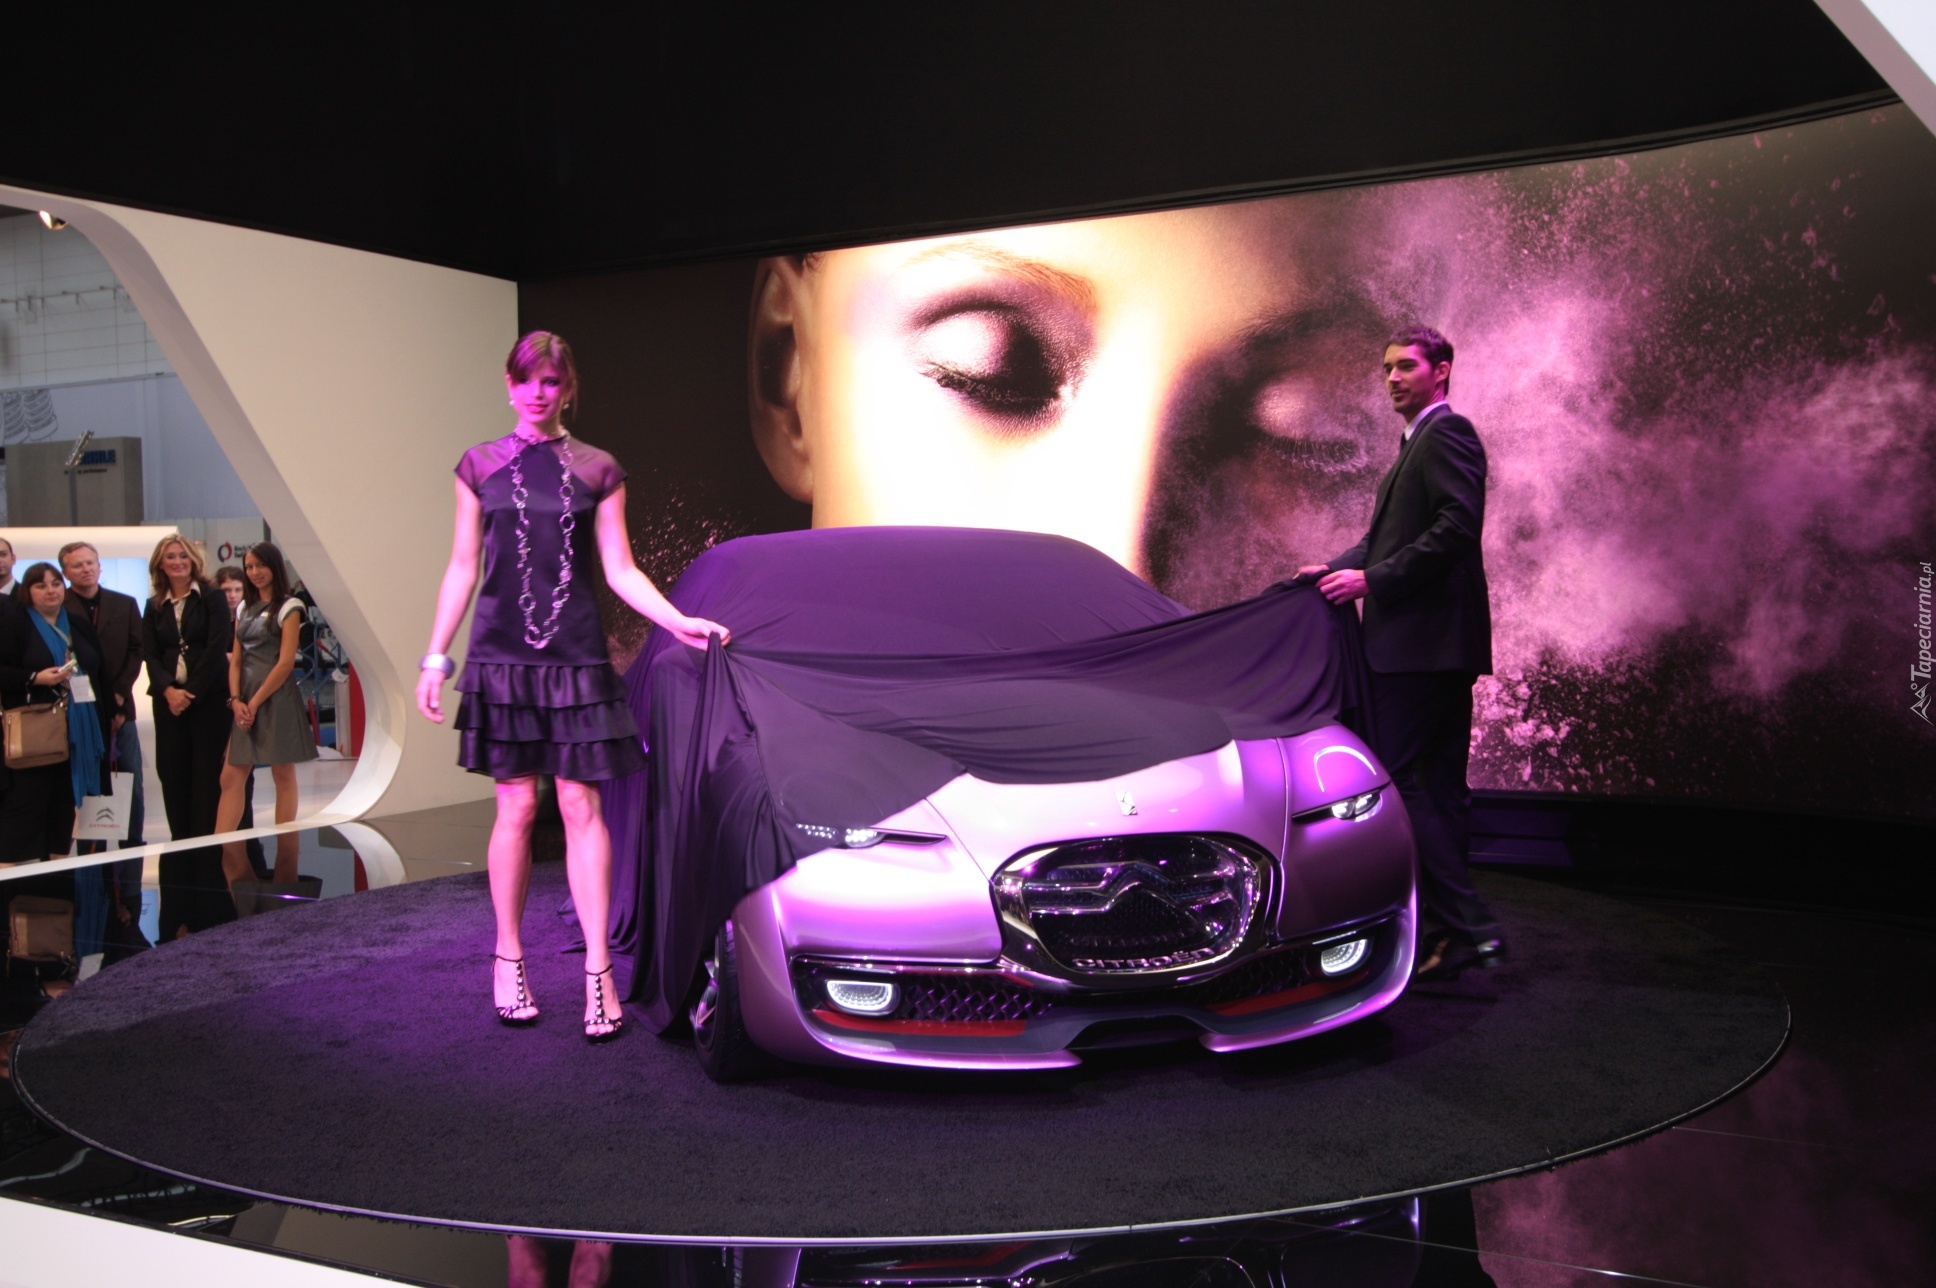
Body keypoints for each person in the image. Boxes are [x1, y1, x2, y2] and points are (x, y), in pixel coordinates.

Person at [416, 331, 729, 1041]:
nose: (538, 393)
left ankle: (598, 971)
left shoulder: (598, 468)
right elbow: (462, 565)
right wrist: (436, 656)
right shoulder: (478, 465)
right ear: (508, 384)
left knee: (581, 805)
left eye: (551, 381)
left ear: (568, 388)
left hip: (576, 660)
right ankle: (507, 959)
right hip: (501, 659)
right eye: (527, 379)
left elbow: (620, 569)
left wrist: (677, 620)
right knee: (517, 807)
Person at [1297, 327, 1501, 979]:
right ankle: (1450, 933)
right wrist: (1335, 567)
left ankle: (1468, 925)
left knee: (1398, 778)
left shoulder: (1447, 433)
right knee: (1439, 790)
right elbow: (1388, 539)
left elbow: (1455, 530)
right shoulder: (1416, 444)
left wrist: (1372, 582)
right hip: (1431, 649)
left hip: (1421, 648)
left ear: (1441, 371)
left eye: (1406, 366)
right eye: (1386, 367)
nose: (1392, 377)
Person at [141, 534, 236, 938]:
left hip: (206, 702)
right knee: (174, 775)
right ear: (160, 565)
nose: (177, 561)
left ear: (193, 560)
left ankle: (205, 863)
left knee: (205, 780)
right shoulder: (154, 605)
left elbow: (216, 649)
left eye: (182, 555)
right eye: (170, 557)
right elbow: (149, 653)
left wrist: (189, 693)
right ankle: (181, 854)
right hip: (169, 705)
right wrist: (168, 691)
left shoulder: (211, 598)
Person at [214, 542, 317, 886]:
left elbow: (286, 663)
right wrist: (235, 700)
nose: (254, 572)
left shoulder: (290, 606)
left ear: (274, 567)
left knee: (282, 774)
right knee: (231, 776)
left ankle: (286, 847)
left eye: (260, 565)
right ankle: (223, 842)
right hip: (243, 699)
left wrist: (255, 702)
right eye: (249, 566)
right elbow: (236, 658)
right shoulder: (244, 605)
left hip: (275, 698)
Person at [61, 541, 147, 930]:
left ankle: (130, 869)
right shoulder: (60, 607)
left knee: (132, 786)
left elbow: (136, 651)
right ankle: (90, 858)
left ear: (99, 566)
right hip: (80, 714)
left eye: (90, 563)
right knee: (87, 787)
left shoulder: (124, 603)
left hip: (121, 709)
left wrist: (119, 695)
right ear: (65, 572)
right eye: (77, 565)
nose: (86, 569)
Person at [1, 565, 111, 867]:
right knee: (25, 807)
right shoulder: (15, 624)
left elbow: (99, 671)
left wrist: (112, 715)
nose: (51, 591)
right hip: (36, 733)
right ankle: (8, 878)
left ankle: (58, 877)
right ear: (28, 592)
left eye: (55, 584)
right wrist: (35, 678)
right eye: (41, 586)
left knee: (63, 808)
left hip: (77, 729)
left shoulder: (76, 623)